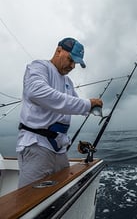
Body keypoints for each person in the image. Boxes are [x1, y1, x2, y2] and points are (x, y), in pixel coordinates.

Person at [16, 37, 103, 188]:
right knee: (29, 198)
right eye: (70, 59)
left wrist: (93, 107)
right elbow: (36, 92)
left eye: (75, 63)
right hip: (37, 146)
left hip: (59, 148)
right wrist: (87, 104)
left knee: (62, 190)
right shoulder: (39, 67)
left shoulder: (68, 82)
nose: (72, 66)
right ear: (58, 50)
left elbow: (78, 106)